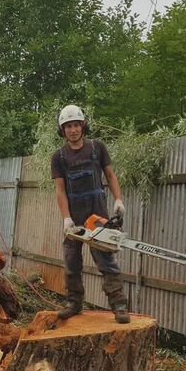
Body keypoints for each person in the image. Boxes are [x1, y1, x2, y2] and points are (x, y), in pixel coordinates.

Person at [50, 104, 130, 323]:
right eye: (68, 126)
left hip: (97, 213)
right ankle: (74, 303)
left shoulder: (97, 148)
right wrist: (66, 217)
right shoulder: (59, 157)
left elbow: (111, 176)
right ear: (62, 130)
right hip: (74, 216)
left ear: (83, 126)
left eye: (76, 125)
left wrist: (119, 200)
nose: (73, 130)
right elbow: (60, 190)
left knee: (106, 261)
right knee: (71, 261)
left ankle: (119, 304)